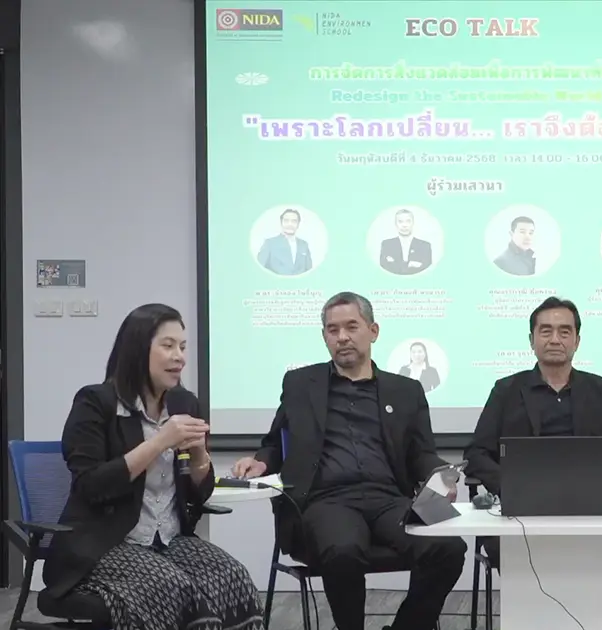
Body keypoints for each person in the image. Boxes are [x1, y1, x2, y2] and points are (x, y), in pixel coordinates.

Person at [231, 292, 466, 630]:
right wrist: (261, 463)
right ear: (324, 336)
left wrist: (440, 475)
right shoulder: (300, 384)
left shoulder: (406, 390)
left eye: (351, 327)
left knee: (448, 549)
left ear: (373, 331)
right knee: (343, 551)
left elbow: (421, 453)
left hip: (388, 499)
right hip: (327, 501)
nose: (342, 337)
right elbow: (275, 442)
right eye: (333, 330)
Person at [43, 304, 263, 630]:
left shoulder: (184, 404)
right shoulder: (95, 403)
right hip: (104, 544)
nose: (179, 357)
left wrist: (199, 453)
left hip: (169, 539)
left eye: (183, 347)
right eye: (168, 345)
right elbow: (91, 485)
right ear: (137, 349)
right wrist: (160, 441)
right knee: (173, 589)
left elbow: (200, 492)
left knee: (233, 578)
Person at [464, 296, 602, 612]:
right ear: (532, 340)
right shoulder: (506, 390)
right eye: (546, 331)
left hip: (587, 508)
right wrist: (508, 484)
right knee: (509, 551)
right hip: (520, 511)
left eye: (564, 331)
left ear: (577, 341)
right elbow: (476, 453)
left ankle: (585, 619)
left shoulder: (601, 390)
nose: (555, 339)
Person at [257, 208, 313, 276]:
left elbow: (309, 272)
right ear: (281, 223)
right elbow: (259, 270)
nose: (290, 224)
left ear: (298, 224)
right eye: (286, 221)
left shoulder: (304, 245)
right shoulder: (269, 243)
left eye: (294, 221)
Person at [379, 208, 433, 275]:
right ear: (395, 224)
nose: (404, 225)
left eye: (408, 221)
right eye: (400, 221)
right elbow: (384, 266)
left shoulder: (425, 246)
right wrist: (409, 264)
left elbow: (427, 269)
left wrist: (396, 263)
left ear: (413, 223)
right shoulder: (387, 245)